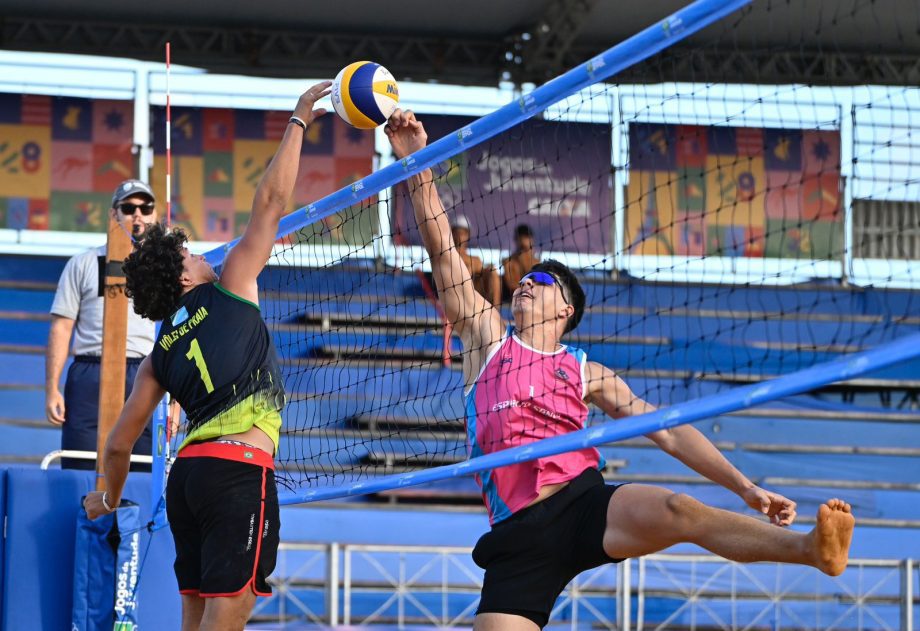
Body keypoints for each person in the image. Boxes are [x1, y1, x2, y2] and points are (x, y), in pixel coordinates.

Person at [385, 109, 855, 631]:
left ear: (565, 310)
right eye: (523, 280)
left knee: (680, 510)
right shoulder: (486, 339)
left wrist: (746, 488)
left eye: (540, 281)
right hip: (518, 535)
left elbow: (669, 432)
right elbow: (443, 254)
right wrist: (415, 164)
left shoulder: (587, 372)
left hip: (585, 506)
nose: (524, 283)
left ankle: (810, 549)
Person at [83, 81, 332, 631]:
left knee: (194, 618)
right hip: (236, 472)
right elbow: (271, 201)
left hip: (188, 479)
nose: (203, 254)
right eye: (193, 253)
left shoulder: (158, 355)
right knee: (229, 613)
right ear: (182, 275)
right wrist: (299, 118)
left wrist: (106, 497)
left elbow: (120, 441)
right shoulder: (233, 285)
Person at [46, 179, 159, 470]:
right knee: (80, 463)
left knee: (144, 468)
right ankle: (86, 517)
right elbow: (61, 327)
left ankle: (139, 518)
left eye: (145, 208)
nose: (138, 214)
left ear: (155, 215)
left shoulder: (165, 270)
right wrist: (52, 388)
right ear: (113, 214)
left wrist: (175, 401)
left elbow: (177, 334)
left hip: (144, 372)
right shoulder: (81, 263)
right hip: (89, 372)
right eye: (129, 207)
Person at [450, 214, 501, 306]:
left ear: (468, 235)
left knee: (492, 270)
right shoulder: (447, 256)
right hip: (454, 295)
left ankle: (496, 310)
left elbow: (483, 277)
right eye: (457, 233)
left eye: (462, 233)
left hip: (475, 297)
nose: (459, 237)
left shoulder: (475, 260)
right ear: (451, 233)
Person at [501, 223, 540, 302]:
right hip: (513, 300)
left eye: (526, 238)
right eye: (521, 238)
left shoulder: (537, 263)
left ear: (531, 240)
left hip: (533, 299)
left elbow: (539, 286)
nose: (523, 241)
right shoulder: (508, 262)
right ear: (516, 240)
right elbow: (511, 286)